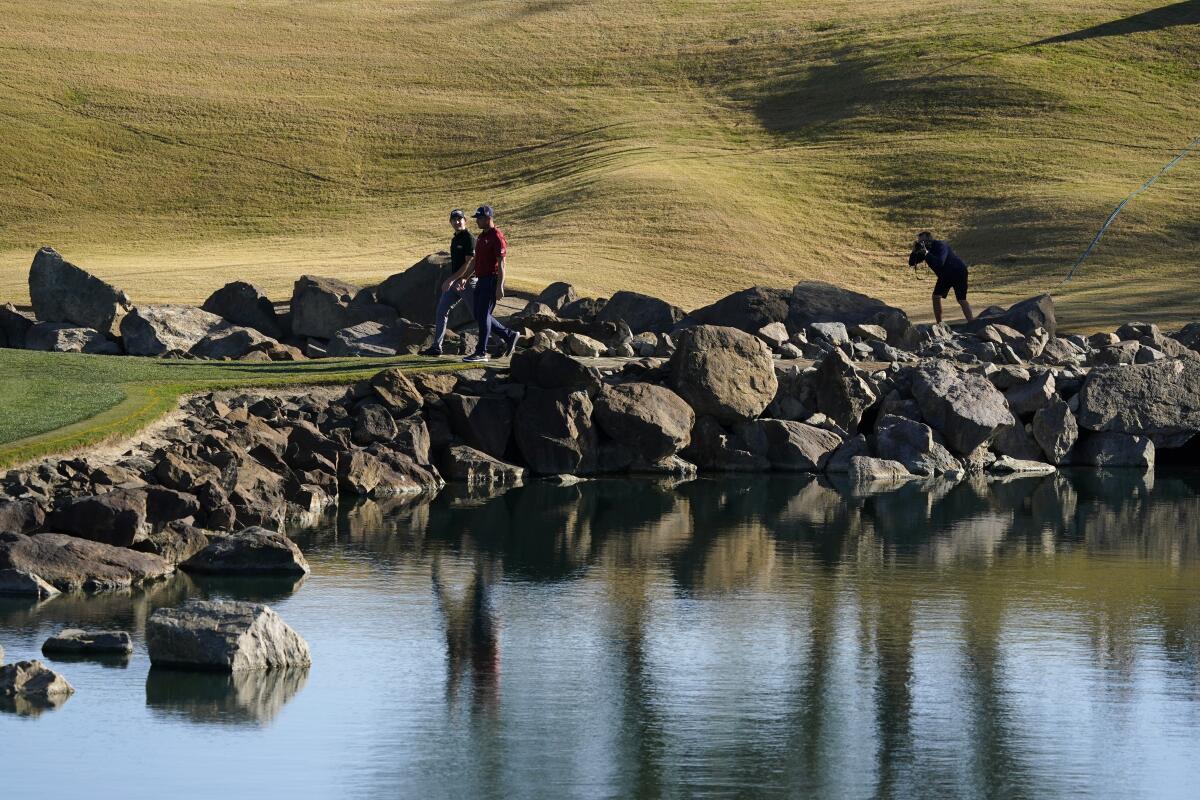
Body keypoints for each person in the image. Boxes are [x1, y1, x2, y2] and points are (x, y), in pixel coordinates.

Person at [461, 205, 519, 363]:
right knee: (480, 315)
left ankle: (481, 352)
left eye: (479, 218)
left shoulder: (497, 237)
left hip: (491, 281)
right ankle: (509, 335)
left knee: (483, 315)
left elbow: (502, 264)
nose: (477, 221)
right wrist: (465, 277)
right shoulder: (481, 237)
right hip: (480, 280)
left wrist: (500, 286)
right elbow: (475, 262)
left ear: (488, 218)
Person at [420, 209, 477, 356]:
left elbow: (470, 263)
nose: (457, 222)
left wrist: (452, 279)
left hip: (467, 282)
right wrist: (453, 280)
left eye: (460, 219)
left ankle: (505, 339)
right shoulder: (455, 239)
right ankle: (436, 347)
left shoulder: (469, 238)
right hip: (455, 284)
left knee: (479, 315)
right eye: (454, 219)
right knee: (441, 311)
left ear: (465, 220)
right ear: (450, 222)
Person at [908, 231, 974, 323]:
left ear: (929, 239)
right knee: (935, 297)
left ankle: (972, 322)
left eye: (923, 241)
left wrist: (926, 254)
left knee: (961, 299)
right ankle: (939, 324)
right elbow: (911, 263)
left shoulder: (940, 245)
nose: (922, 244)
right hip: (945, 275)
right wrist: (914, 251)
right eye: (920, 242)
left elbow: (940, 262)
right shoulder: (925, 250)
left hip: (958, 272)